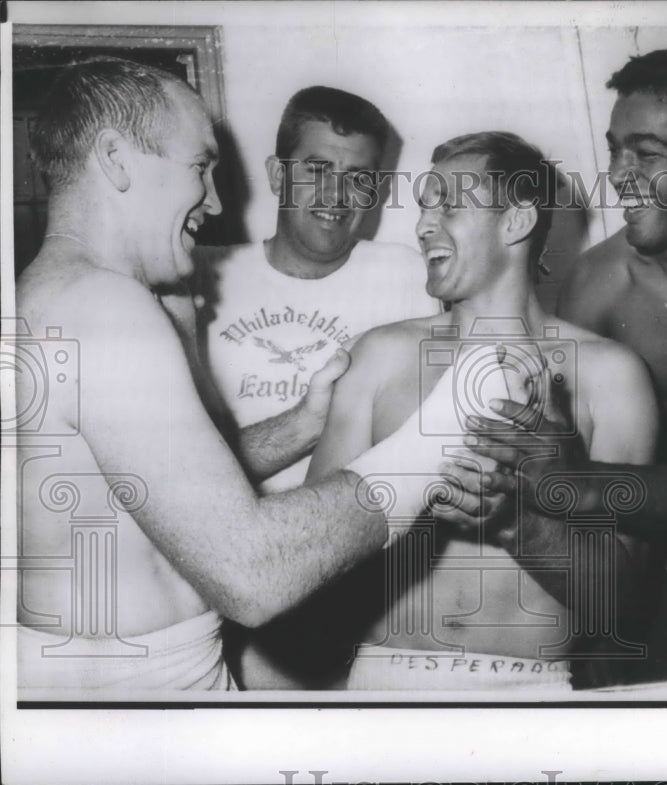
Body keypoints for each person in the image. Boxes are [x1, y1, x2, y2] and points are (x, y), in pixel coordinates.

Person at [14, 58, 451, 691]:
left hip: (120, 682)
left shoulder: (50, 295)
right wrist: (442, 438)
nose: (216, 199)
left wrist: (305, 425)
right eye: (199, 167)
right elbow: (253, 576)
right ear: (115, 158)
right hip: (143, 692)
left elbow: (166, 492)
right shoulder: (105, 305)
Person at [464, 47, 667, 682]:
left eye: (647, 154)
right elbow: (559, 454)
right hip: (663, 564)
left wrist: (580, 480)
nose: (618, 173)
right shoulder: (597, 282)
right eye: (615, 149)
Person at [303, 132, 657, 690]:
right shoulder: (377, 357)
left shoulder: (610, 376)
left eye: (448, 204)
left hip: (529, 690)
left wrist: (519, 522)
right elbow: (308, 559)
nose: (422, 226)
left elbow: (620, 604)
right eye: (423, 208)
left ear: (515, 222)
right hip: (385, 681)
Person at [196, 86, 439, 494]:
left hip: (365, 536)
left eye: (358, 178)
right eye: (318, 169)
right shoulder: (203, 274)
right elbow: (177, 471)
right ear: (278, 176)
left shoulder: (410, 273)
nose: (336, 195)